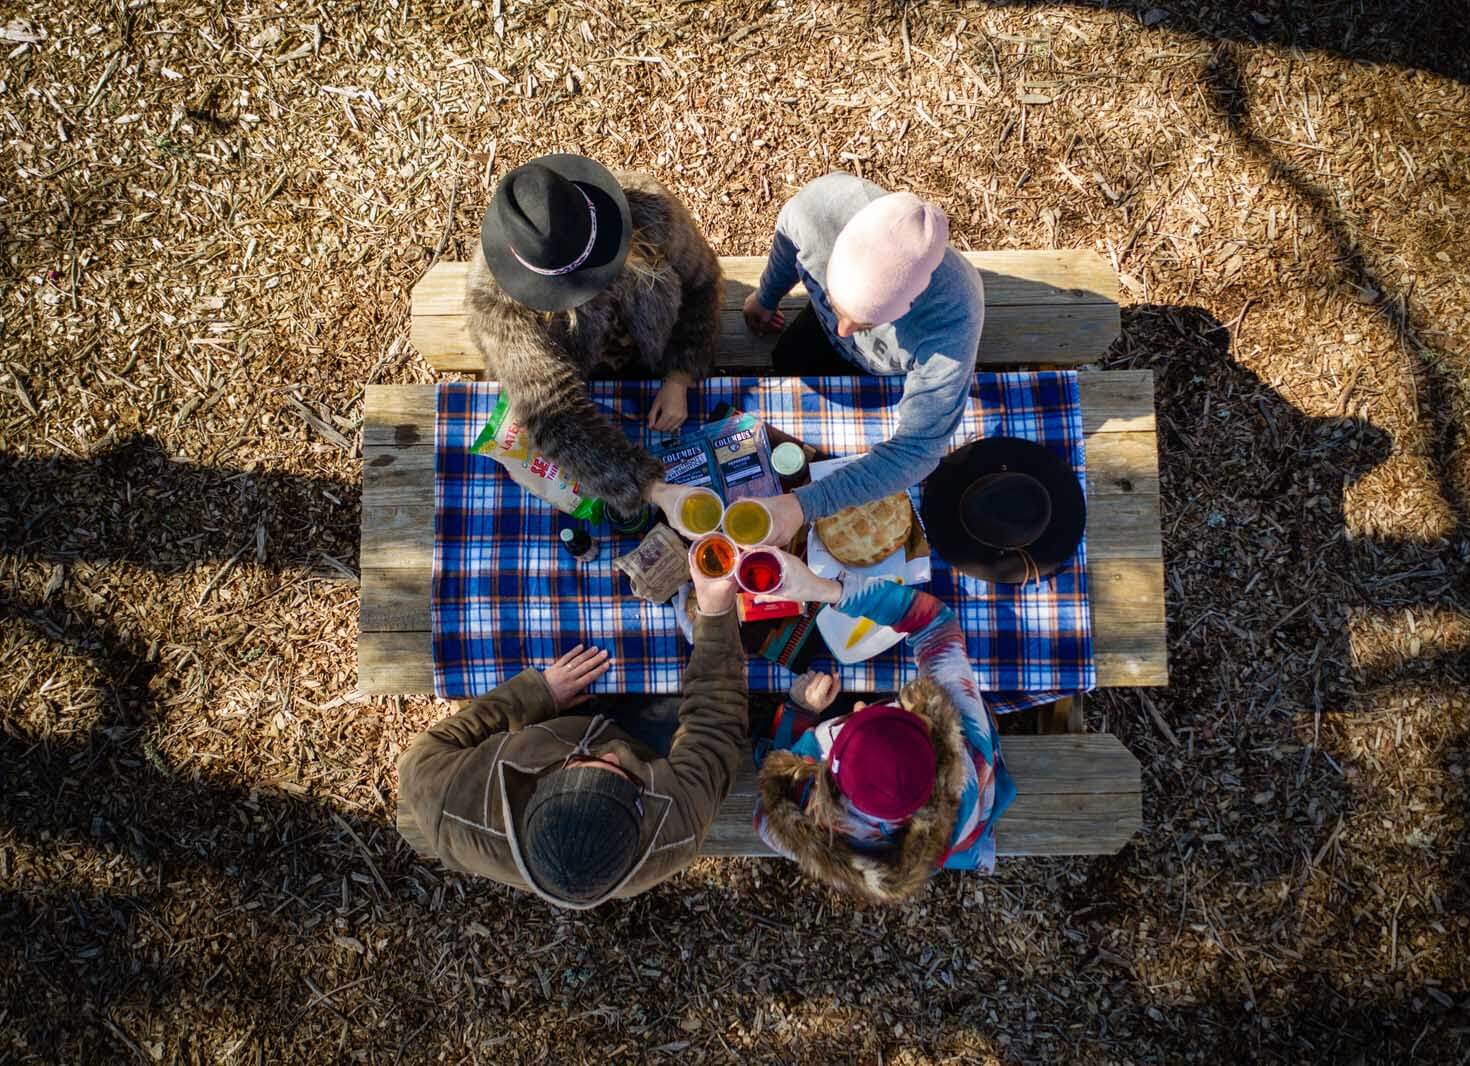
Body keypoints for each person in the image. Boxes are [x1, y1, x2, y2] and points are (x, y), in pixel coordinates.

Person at [394, 564, 747, 909]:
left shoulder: (450, 806)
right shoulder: (673, 831)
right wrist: (716, 615)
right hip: (644, 734)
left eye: (584, 763)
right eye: (628, 777)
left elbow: (427, 750)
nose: (612, 754)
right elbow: (716, 724)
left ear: (531, 789)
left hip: (552, 719)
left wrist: (536, 694)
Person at [748, 552, 1016, 904]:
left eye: (846, 724)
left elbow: (769, 797)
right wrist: (827, 590)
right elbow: (934, 624)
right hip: (964, 818)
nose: (859, 706)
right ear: (934, 742)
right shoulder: (966, 735)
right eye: (886, 711)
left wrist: (800, 712)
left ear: (827, 773)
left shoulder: (798, 828)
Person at [468, 153, 721, 519]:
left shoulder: (650, 209)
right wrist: (650, 487)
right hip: (580, 383)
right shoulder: (495, 302)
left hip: (656, 361)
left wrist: (680, 374)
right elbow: (555, 416)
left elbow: (703, 285)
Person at [739, 174, 983, 543]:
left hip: (883, 374)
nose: (844, 330)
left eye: (867, 322)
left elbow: (917, 450)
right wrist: (766, 297)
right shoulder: (819, 207)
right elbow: (788, 242)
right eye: (836, 303)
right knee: (787, 355)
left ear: (913, 304)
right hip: (816, 338)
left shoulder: (953, 321)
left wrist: (805, 505)